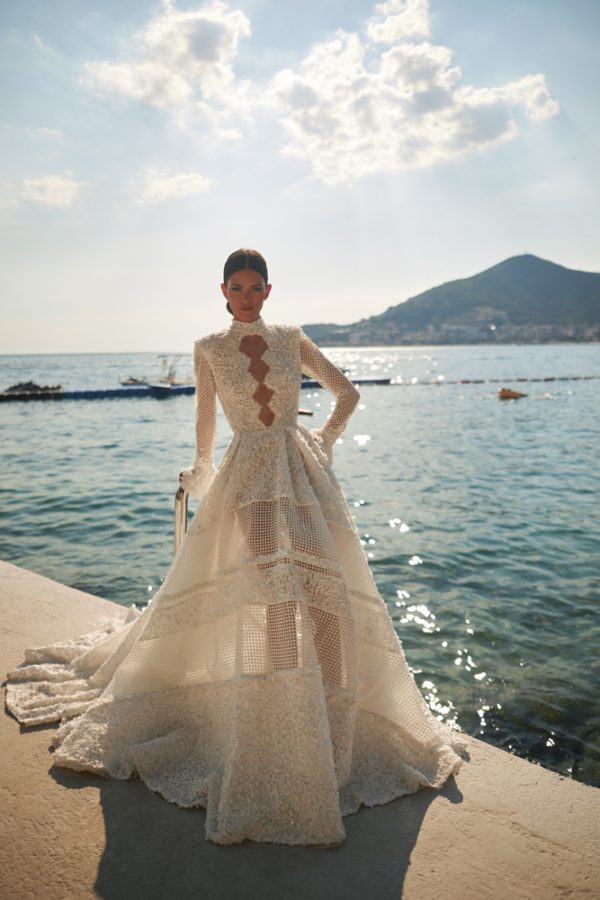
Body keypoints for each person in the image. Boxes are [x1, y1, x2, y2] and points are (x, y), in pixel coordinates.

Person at [5, 248, 468, 848]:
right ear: (223, 291)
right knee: (274, 595)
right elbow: (205, 422)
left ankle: (332, 706)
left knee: (327, 591)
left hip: (301, 473)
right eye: (237, 288)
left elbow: (345, 391)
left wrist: (324, 440)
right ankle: (282, 709)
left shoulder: (291, 337)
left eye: (256, 288)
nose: (247, 296)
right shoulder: (209, 348)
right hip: (248, 476)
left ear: (269, 291)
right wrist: (198, 472)